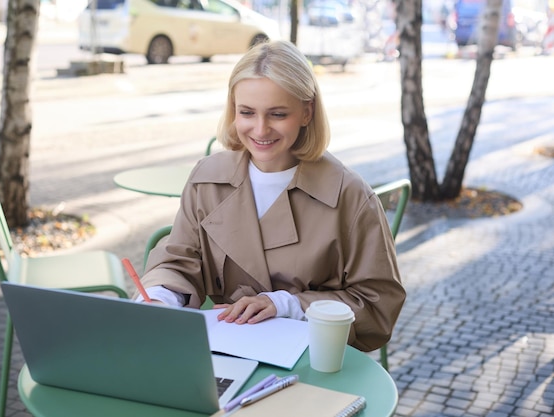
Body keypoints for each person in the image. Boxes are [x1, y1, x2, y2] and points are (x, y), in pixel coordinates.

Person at [138, 40, 405, 352]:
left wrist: (287, 305)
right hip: (228, 349)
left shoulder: (350, 195)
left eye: (278, 114)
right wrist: (162, 297)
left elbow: (378, 306)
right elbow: (180, 261)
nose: (260, 129)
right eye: (247, 112)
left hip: (314, 358)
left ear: (307, 112)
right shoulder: (206, 178)